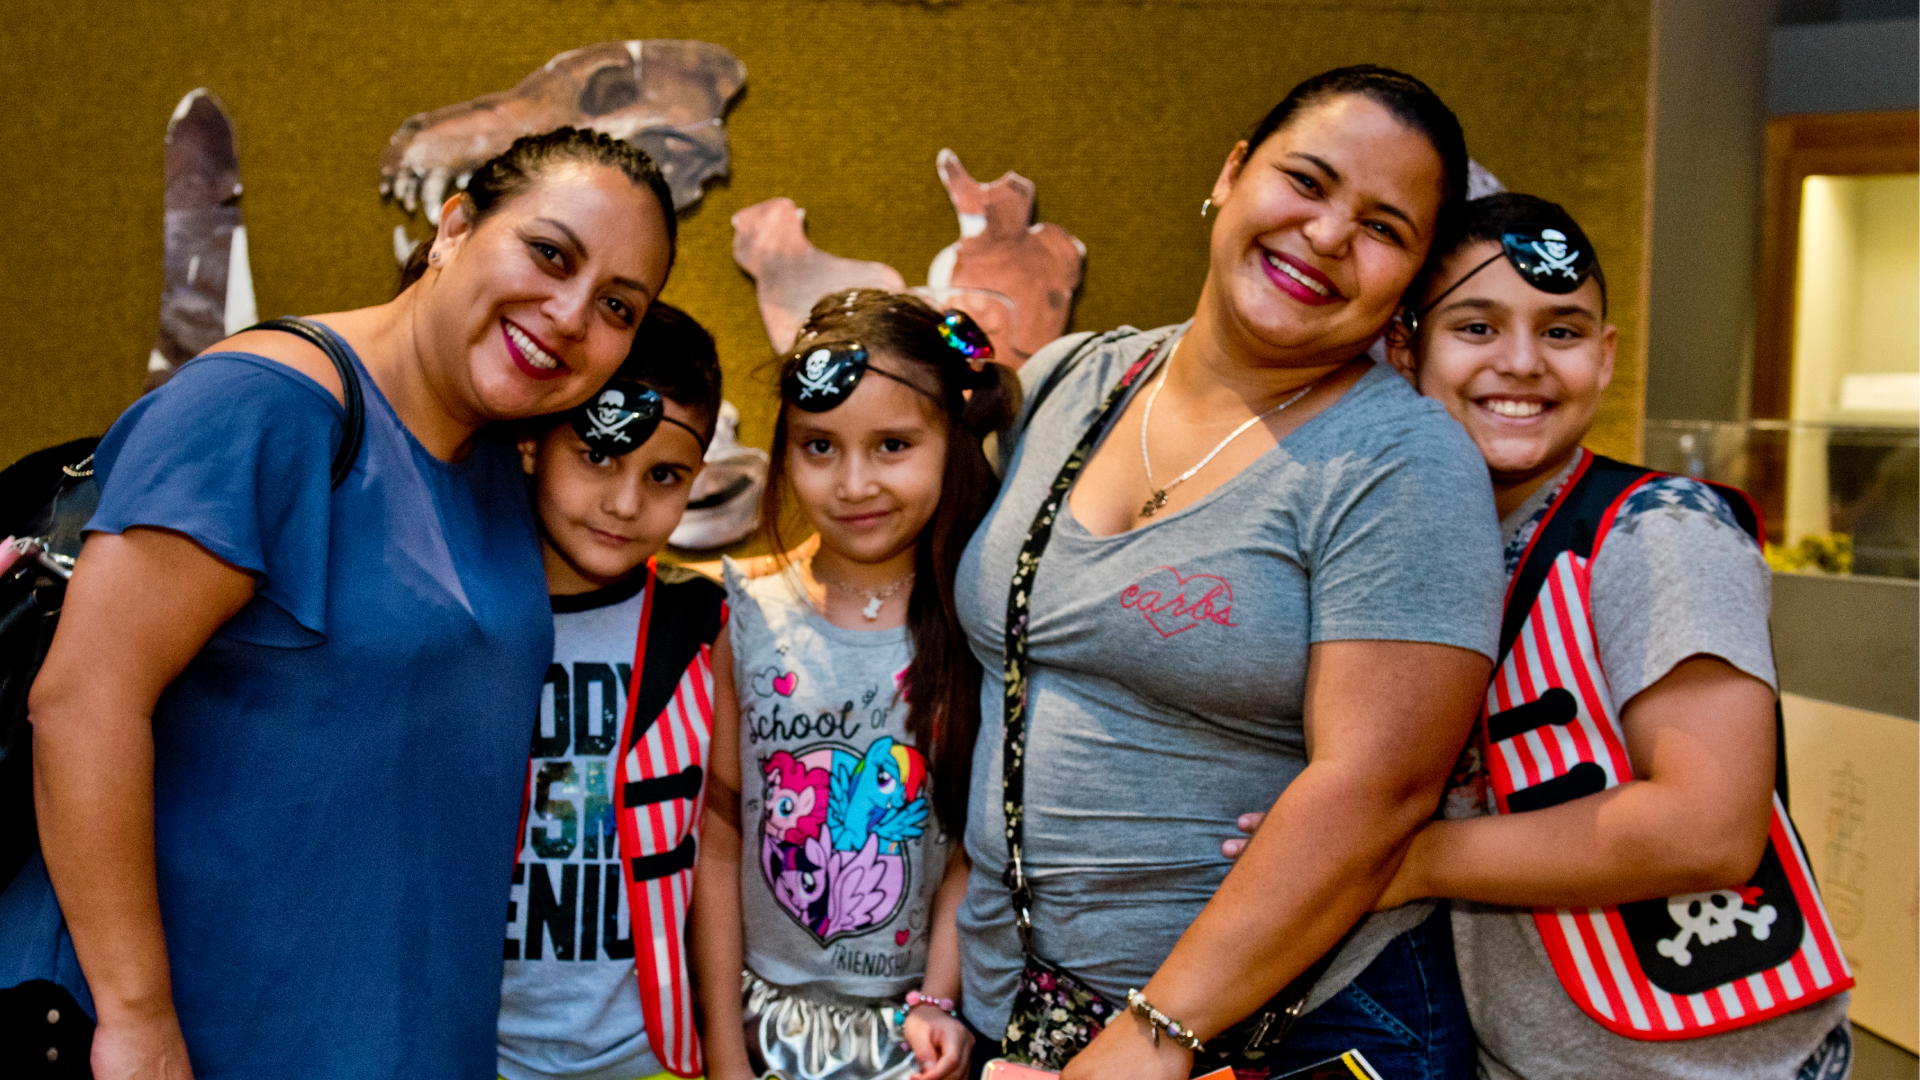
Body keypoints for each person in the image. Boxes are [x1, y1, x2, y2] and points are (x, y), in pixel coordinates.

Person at [13, 127, 678, 1080]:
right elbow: (80, 704)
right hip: (212, 1035)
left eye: (617, 304)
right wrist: (138, 1022)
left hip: (404, 1031)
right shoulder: (263, 406)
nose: (572, 315)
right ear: (453, 229)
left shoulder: (492, 454)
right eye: (548, 254)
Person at [952, 66, 1505, 1080]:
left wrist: (1154, 1038)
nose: (1330, 234)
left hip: (1275, 1037)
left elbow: (1378, 790)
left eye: (1384, 228)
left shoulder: (1403, 464)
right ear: (1232, 173)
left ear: (1412, 284)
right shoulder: (1078, 378)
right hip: (1018, 1015)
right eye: (1307, 180)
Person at [1367, 192, 1853, 1079]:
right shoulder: (1440, 541)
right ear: (1407, 348)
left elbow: (1706, 827)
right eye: (1476, 327)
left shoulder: (1658, 530)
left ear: (1606, 353)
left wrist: (1407, 859)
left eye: (1562, 331)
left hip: (1712, 1065)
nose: (1523, 364)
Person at [693, 291, 1017, 1080]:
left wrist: (938, 1003)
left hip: (910, 1040)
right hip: (760, 1026)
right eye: (819, 447)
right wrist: (726, 1051)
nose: (853, 482)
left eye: (893, 444)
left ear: (951, 441)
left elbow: (968, 849)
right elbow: (723, 831)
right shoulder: (745, 611)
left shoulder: (976, 625)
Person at [498, 301, 731, 1080]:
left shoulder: (704, 623)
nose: (626, 503)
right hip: (468, 1047)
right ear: (533, 442)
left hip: (650, 1055)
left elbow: (721, 854)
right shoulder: (457, 613)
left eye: (664, 475)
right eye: (598, 455)